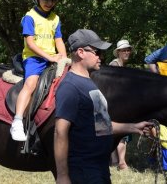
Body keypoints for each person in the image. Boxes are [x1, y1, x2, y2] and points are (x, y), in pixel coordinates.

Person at [54, 29, 152, 184]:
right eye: (97, 52)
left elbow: (102, 125)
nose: (101, 57)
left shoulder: (90, 83)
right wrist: (62, 176)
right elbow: (60, 132)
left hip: (99, 168)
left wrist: (133, 127)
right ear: (80, 52)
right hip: (82, 171)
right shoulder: (69, 87)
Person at [10, 0, 67, 141]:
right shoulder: (30, 17)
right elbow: (30, 44)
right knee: (31, 84)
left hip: (53, 58)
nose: (49, 3)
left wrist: (63, 56)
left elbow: (59, 40)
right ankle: (18, 121)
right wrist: (49, 57)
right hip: (34, 58)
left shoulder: (55, 18)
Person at [109, 39, 134, 170]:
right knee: (122, 132)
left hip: (121, 105)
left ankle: (116, 162)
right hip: (115, 106)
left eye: (128, 50)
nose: (126, 52)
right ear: (118, 52)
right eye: (123, 50)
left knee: (117, 133)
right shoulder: (114, 65)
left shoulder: (123, 66)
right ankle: (122, 163)